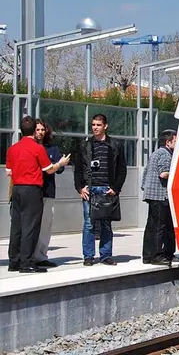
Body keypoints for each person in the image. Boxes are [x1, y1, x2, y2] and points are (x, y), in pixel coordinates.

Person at [6, 116, 70, 273]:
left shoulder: (12, 148)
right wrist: (60, 164)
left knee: (17, 227)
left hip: (17, 189)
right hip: (32, 189)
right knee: (30, 226)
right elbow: (49, 169)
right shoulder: (37, 148)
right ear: (34, 130)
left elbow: (9, 172)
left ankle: (14, 261)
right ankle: (27, 262)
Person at [73, 114, 127, 266]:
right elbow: (77, 169)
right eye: (93, 125)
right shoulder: (85, 145)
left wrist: (116, 188)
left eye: (98, 125)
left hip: (107, 189)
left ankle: (105, 255)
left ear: (105, 126)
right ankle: (88, 256)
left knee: (106, 224)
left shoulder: (115, 145)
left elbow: (122, 169)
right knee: (89, 223)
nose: (95, 128)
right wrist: (80, 188)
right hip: (89, 189)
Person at [141, 129, 178, 266]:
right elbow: (163, 173)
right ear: (168, 142)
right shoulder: (165, 154)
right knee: (159, 226)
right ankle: (157, 255)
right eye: (176, 140)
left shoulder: (156, 153)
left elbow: (146, 174)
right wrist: (177, 173)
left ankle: (147, 255)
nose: (178, 143)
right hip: (160, 194)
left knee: (151, 225)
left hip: (152, 194)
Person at [33, 120, 65, 268]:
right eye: (37, 129)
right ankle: (28, 255)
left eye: (42, 129)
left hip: (48, 191)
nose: (40, 132)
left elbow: (59, 168)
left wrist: (55, 165)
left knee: (46, 225)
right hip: (32, 192)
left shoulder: (52, 149)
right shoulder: (29, 147)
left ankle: (41, 256)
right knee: (31, 225)